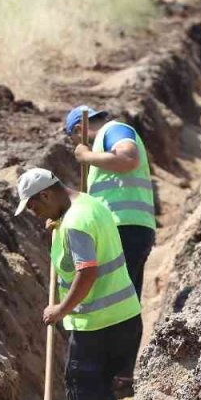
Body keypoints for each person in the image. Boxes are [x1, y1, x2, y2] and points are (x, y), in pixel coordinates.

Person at [15, 168, 142, 400]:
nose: (34, 213)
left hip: (96, 323)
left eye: (34, 205)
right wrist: (57, 222)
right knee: (103, 383)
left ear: (46, 194)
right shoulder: (89, 204)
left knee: (81, 382)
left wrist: (61, 309)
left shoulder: (75, 224)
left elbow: (86, 272)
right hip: (124, 315)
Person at [64, 106, 156, 302]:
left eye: (73, 137)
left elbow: (128, 158)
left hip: (123, 227)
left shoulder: (114, 130)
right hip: (128, 227)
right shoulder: (103, 149)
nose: (77, 145)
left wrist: (86, 156)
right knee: (126, 301)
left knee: (115, 302)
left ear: (80, 129)